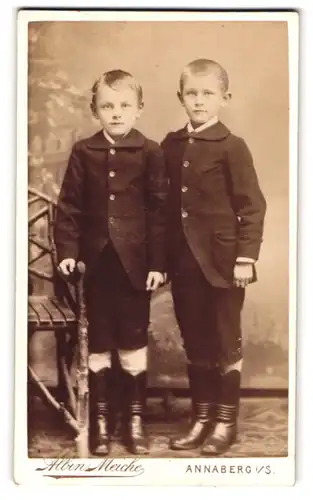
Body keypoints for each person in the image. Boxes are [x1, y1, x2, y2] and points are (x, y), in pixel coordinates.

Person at [54, 69, 168, 456]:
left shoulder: (151, 151)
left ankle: (133, 420)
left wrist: (157, 263)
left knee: (133, 339)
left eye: (124, 105)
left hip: (136, 266)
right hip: (95, 267)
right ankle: (100, 422)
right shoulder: (84, 151)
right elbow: (68, 208)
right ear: (95, 110)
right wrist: (68, 254)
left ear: (138, 109)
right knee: (99, 341)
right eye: (107, 106)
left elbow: (159, 211)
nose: (116, 113)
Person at [161, 59, 266, 456]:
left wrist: (246, 257)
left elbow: (252, 206)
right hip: (184, 263)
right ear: (180, 97)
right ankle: (201, 418)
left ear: (225, 98)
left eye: (208, 94)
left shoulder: (232, 146)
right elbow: (162, 208)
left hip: (225, 265)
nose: (199, 101)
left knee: (224, 340)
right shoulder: (171, 145)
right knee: (196, 341)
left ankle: (225, 421)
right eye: (192, 93)